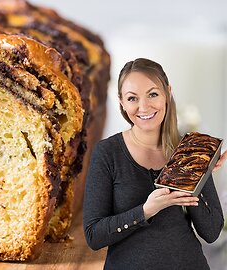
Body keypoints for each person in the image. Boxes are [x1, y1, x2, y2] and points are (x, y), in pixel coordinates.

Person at [83, 58, 227, 269]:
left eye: (152, 94)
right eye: (132, 98)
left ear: (167, 93)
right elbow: (94, 235)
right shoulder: (107, 152)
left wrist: (198, 174)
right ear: (122, 102)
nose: (144, 107)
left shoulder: (191, 148)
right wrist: (145, 211)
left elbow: (212, 232)